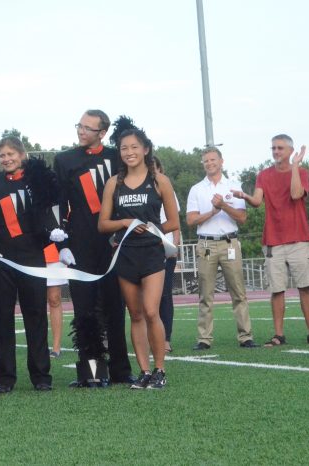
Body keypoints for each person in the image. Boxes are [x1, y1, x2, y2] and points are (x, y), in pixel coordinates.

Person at [53, 110, 134, 387]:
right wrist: (61, 244)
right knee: (84, 309)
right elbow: (58, 204)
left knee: (115, 306)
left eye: (88, 128)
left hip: (113, 243)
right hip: (80, 244)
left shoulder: (116, 155)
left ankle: (121, 371)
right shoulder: (64, 160)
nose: (81, 131)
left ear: (102, 133)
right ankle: (91, 373)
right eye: (79, 125)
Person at [98, 118, 179, 390]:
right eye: (123, 148)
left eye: (134, 146)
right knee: (134, 315)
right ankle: (143, 371)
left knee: (151, 311)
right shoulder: (114, 184)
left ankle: (160, 370)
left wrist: (153, 229)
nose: (129, 152)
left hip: (152, 255)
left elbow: (174, 223)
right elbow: (103, 224)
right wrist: (124, 224)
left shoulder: (160, 181)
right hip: (125, 255)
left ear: (145, 149)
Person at [0, 137, 59, 393]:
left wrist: (57, 236)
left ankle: (41, 376)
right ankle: (5, 378)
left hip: (32, 260)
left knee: (35, 317)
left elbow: (48, 213)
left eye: (11, 154)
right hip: (1, 261)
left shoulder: (36, 181)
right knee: (2, 319)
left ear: (22, 154)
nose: (6, 159)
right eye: (2, 155)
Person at [233, 135, 309, 346]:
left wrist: (295, 166)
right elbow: (258, 201)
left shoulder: (302, 173)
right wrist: (245, 196)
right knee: (277, 290)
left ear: (290, 151)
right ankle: (279, 335)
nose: (276, 151)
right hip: (273, 241)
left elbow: (296, 194)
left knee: (305, 287)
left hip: (299, 239)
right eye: (273, 148)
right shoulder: (264, 175)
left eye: (280, 148)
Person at [185, 148, 257, 350]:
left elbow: (242, 218)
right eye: (205, 160)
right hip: (206, 244)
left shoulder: (234, 187)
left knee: (238, 292)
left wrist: (224, 206)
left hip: (230, 242)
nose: (209, 163)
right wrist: (213, 211)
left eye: (213, 159)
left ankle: (246, 336)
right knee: (205, 293)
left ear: (221, 161)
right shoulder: (197, 189)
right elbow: (191, 220)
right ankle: (204, 339)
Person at [154, 157, 181, 353]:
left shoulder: (166, 187)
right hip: (145, 247)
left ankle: (166, 339)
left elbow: (175, 223)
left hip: (166, 247)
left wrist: (174, 246)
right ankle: (151, 337)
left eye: (153, 167)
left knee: (164, 295)